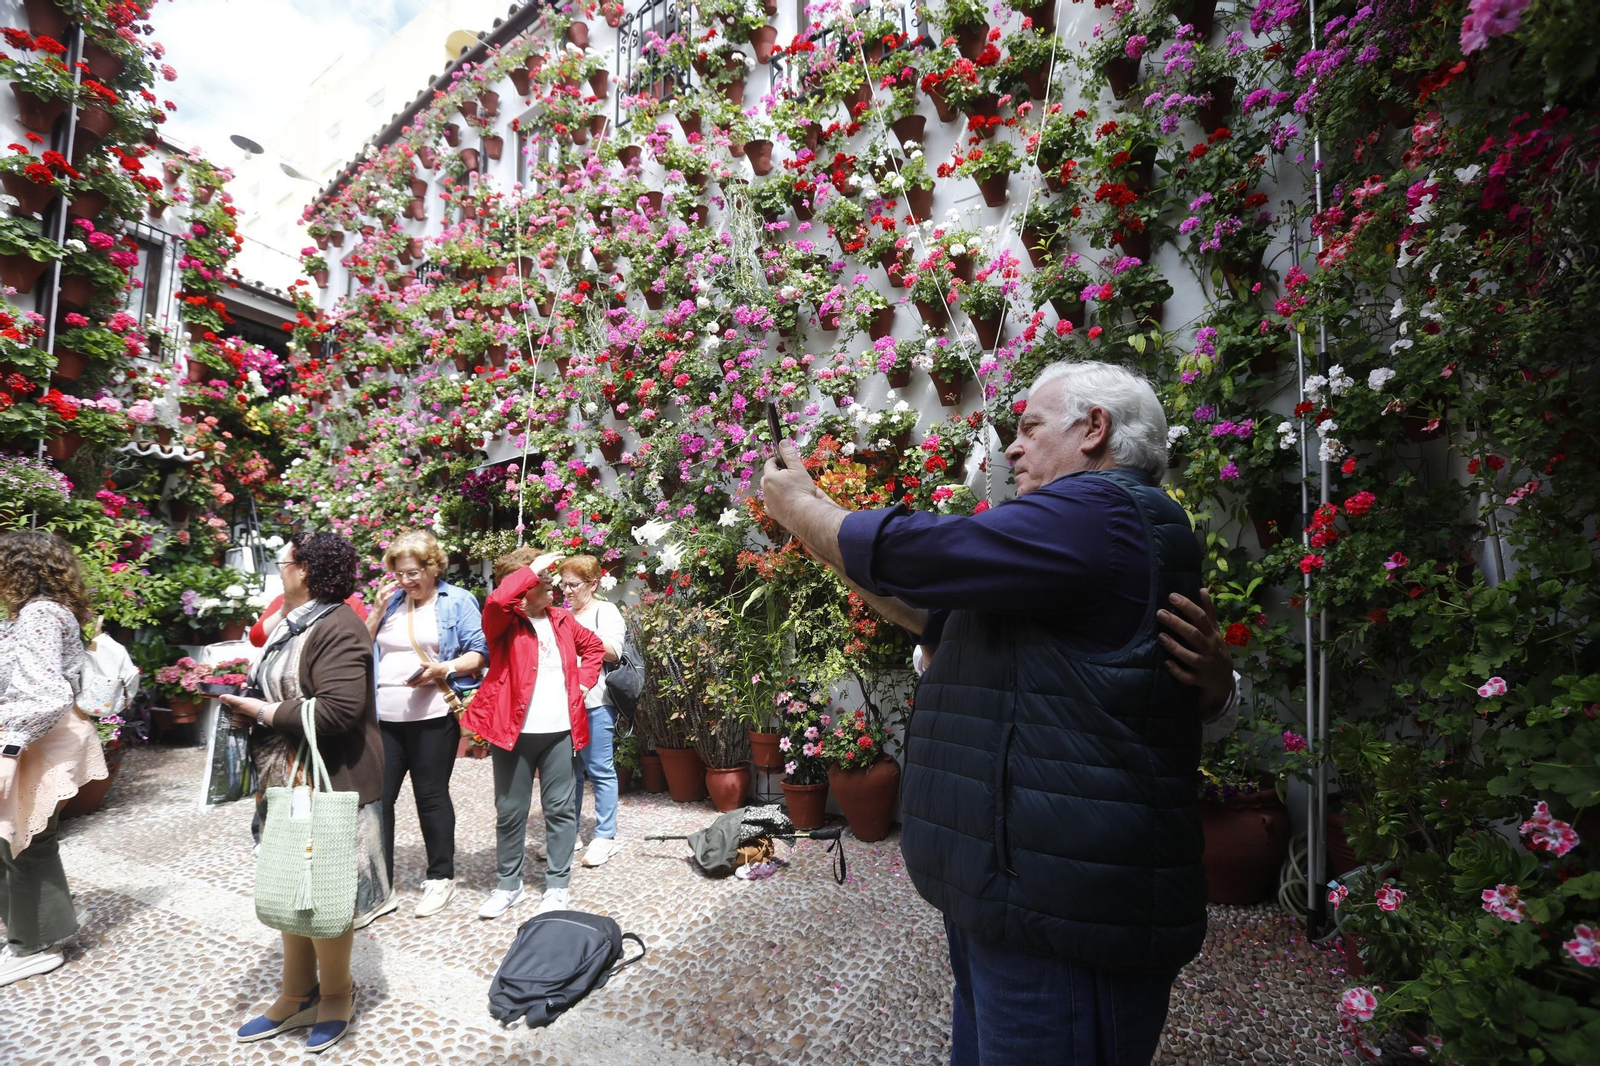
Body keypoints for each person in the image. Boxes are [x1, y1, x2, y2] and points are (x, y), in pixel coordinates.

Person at [760, 360, 1236, 1066]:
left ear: (1094, 429)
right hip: (1017, 899)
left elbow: (920, 556)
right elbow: (934, 612)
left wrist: (799, 506)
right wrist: (820, 529)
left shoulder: (1101, 513)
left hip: (1065, 919)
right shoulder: (1071, 539)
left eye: (1030, 428)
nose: (1010, 448)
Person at [222, 532, 387, 1054]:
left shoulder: (339, 625)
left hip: (324, 779)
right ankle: (295, 994)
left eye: (285, 561)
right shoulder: (291, 623)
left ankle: (337, 994)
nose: (280, 569)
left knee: (323, 892)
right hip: (283, 780)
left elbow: (338, 711)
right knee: (290, 881)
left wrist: (261, 711)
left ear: (306, 571)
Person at [460, 547, 604, 920]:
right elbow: (496, 600)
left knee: (559, 810)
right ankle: (509, 885)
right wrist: (531, 568)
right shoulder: (502, 624)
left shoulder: (561, 620)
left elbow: (594, 649)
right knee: (510, 812)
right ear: (522, 588)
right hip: (513, 733)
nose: (553, 585)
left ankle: (557, 885)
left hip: (560, 732)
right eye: (543, 581)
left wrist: (586, 683)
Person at [0, 531, 105, 987]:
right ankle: (31, 929)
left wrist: (8, 746)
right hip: (37, 736)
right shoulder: (39, 613)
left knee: (23, 840)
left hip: (37, 738)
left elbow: (46, 694)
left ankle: (38, 945)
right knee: (18, 838)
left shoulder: (39, 614)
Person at [365, 530, 487, 919]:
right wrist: (375, 613)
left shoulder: (457, 601)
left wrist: (444, 668)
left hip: (433, 714)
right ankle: (379, 884)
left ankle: (440, 878)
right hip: (385, 716)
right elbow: (361, 648)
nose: (406, 581)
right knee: (379, 799)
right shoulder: (391, 602)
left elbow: (479, 653)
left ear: (433, 567)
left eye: (414, 572)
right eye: (400, 574)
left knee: (430, 795)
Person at [557, 555, 624, 867]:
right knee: (568, 773)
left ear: (594, 584)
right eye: (563, 584)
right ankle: (568, 835)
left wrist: (579, 635)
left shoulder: (604, 611)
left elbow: (613, 651)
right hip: (561, 704)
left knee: (600, 769)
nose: (567, 591)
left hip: (595, 701)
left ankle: (605, 837)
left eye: (574, 584)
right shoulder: (560, 613)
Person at [249, 590, 366, 648]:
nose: (281, 574)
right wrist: (282, 612)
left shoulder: (352, 604)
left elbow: (360, 643)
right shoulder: (285, 600)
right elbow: (257, 639)